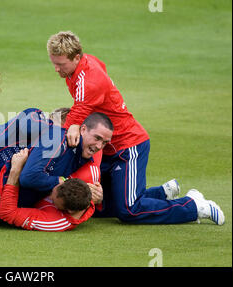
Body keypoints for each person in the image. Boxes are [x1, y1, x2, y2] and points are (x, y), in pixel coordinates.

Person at [46, 31, 225, 225]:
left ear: (77, 57)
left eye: (60, 64)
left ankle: (194, 206)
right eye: (54, 63)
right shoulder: (83, 66)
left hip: (128, 147)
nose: (56, 69)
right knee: (101, 204)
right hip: (106, 146)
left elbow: (74, 122)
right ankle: (162, 193)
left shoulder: (88, 82)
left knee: (129, 210)